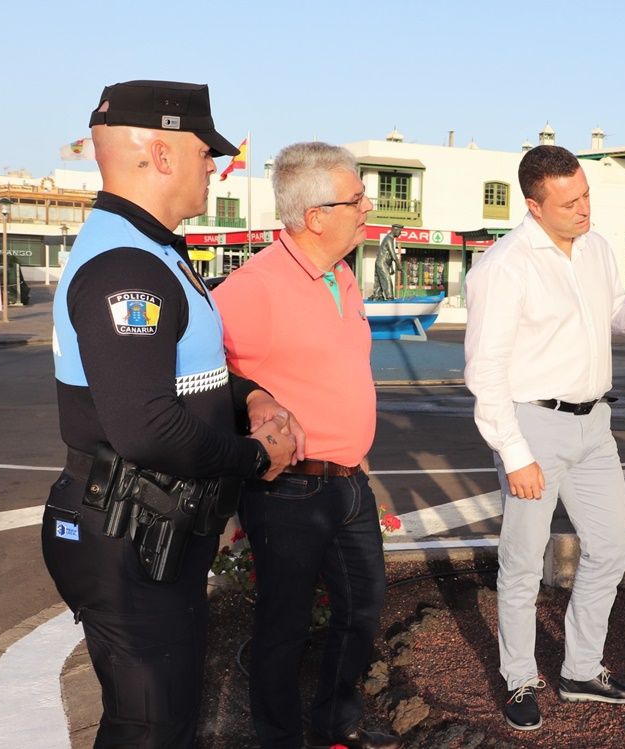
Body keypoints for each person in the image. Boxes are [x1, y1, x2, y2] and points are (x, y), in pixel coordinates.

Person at [44, 80, 298, 748]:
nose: (212, 165)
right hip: (127, 532)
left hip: (152, 526)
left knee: (166, 717)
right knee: (151, 725)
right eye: (202, 151)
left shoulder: (154, 250)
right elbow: (147, 426)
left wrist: (250, 397)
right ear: (159, 153)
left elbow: (185, 372)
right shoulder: (126, 265)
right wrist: (254, 457)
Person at [213, 142, 399, 749]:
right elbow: (200, 371)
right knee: (283, 625)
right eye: (356, 198)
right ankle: (278, 737)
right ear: (316, 215)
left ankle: (336, 722)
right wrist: (252, 398)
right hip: (289, 489)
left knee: (363, 608)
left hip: (348, 481)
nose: (367, 207)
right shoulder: (254, 286)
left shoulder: (342, 275)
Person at [464, 145, 625, 732]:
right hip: (533, 426)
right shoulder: (503, 267)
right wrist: (515, 454)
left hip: (596, 425)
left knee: (612, 547)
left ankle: (580, 669)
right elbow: (484, 374)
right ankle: (519, 677)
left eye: (587, 194)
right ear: (534, 206)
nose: (584, 209)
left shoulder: (595, 247)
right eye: (569, 202)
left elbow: (614, 310)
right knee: (521, 564)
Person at [372, 224, 402, 299]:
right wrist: (398, 264)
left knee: (378, 283)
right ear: (395, 230)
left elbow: (387, 254)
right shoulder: (388, 239)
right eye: (399, 231)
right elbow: (393, 254)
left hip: (382, 263)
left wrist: (391, 267)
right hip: (382, 263)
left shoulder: (389, 239)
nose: (400, 233)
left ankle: (377, 297)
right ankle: (390, 298)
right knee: (387, 282)